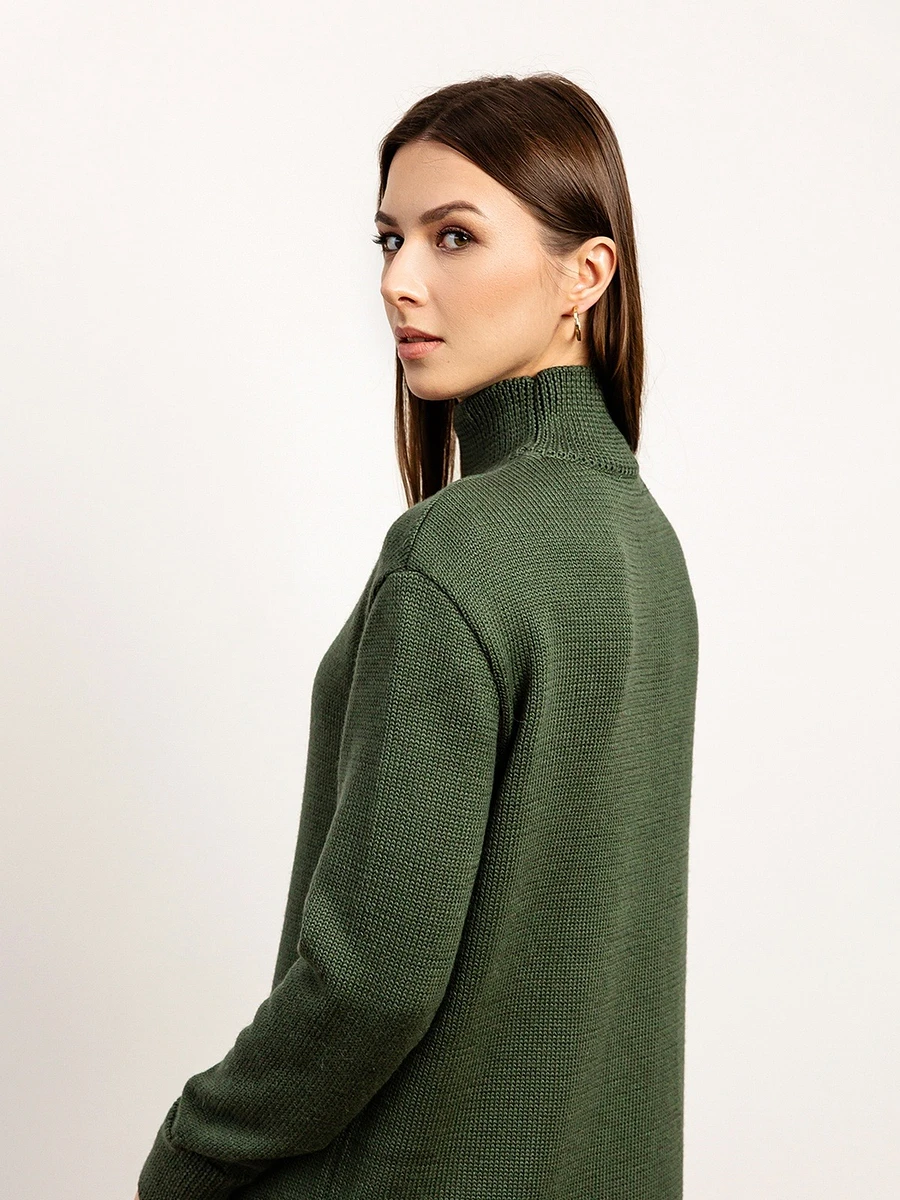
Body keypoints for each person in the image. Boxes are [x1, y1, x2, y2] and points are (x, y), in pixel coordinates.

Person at [135, 72, 699, 1200]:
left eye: (454, 237)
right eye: (390, 239)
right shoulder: (645, 546)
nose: (399, 280)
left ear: (584, 275)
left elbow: (369, 986)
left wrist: (192, 1151)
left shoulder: (457, 555)